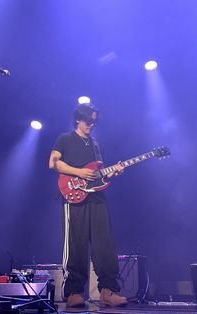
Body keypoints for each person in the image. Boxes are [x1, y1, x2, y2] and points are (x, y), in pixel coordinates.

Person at [49, 103, 127, 308]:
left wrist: (113, 172)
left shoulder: (96, 145)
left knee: (105, 244)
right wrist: (79, 172)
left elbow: (99, 174)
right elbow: (53, 163)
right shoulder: (64, 138)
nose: (92, 124)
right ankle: (74, 291)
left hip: (97, 198)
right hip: (73, 196)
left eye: (94, 121)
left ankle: (108, 291)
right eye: (88, 121)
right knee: (76, 244)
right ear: (78, 119)